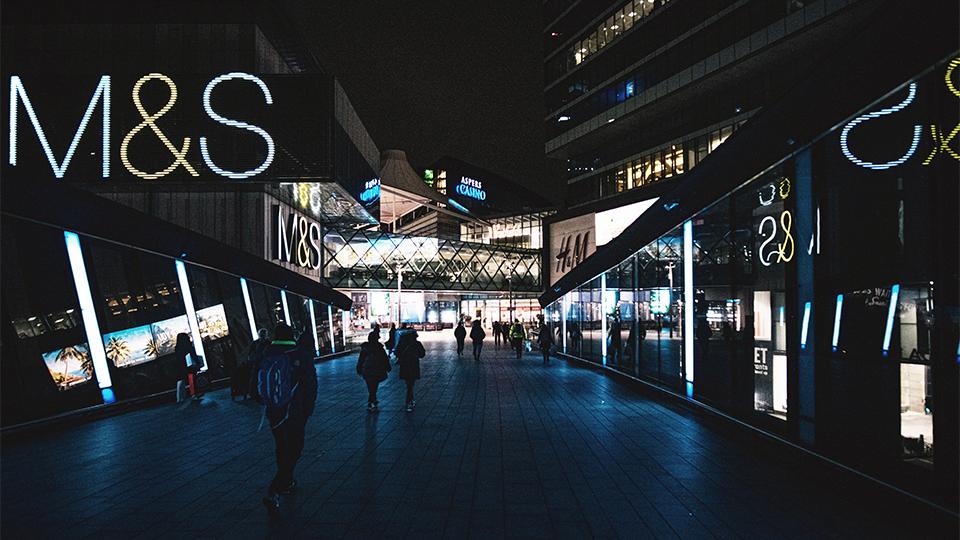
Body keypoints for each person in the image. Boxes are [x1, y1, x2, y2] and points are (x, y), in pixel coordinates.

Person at [257, 324, 318, 516]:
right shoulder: (299, 354)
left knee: (282, 447)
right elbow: (311, 385)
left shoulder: (266, 352)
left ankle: (288, 481)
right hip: (294, 410)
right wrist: (307, 410)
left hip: (274, 410)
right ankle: (275, 489)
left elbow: (255, 381)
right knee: (296, 447)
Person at [356, 331, 390, 412]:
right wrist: (388, 367)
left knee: (370, 387)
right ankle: (371, 402)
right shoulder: (379, 348)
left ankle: (372, 401)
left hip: (367, 370)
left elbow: (361, 359)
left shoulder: (365, 348)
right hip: (377, 370)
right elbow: (384, 359)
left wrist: (359, 368)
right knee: (374, 387)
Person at [394, 325, 425, 412]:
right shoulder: (417, 344)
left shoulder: (402, 344)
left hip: (404, 366)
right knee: (410, 385)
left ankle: (410, 400)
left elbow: (397, 353)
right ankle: (409, 401)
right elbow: (422, 354)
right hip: (413, 366)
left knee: (409, 384)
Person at [174, 333, 201, 401]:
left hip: (182, 366)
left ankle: (180, 397)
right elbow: (192, 354)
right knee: (192, 379)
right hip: (190, 366)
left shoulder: (177, 348)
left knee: (182, 381)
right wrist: (197, 362)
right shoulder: (188, 345)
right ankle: (193, 394)